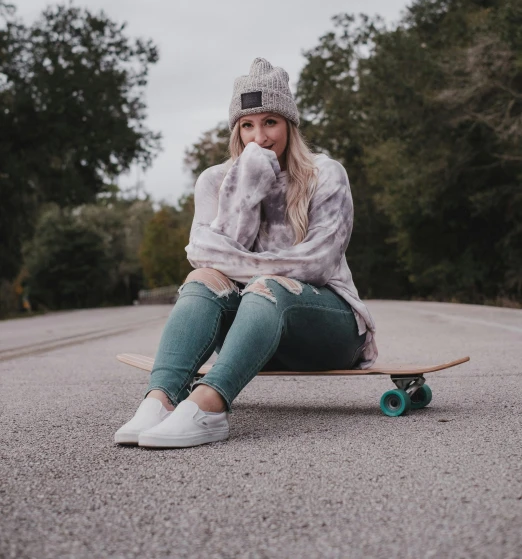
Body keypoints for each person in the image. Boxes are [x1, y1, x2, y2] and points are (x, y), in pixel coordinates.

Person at [114, 57, 377, 449]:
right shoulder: (215, 181)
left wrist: (251, 275)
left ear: (289, 123)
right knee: (202, 280)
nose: (259, 137)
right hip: (253, 337)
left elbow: (318, 264)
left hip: (328, 330)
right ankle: (160, 401)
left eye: (271, 121)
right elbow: (202, 256)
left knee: (266, 286)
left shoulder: (325, 174)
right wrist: (245, 189)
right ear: (236, 129)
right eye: (247, 125)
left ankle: (209, 405)